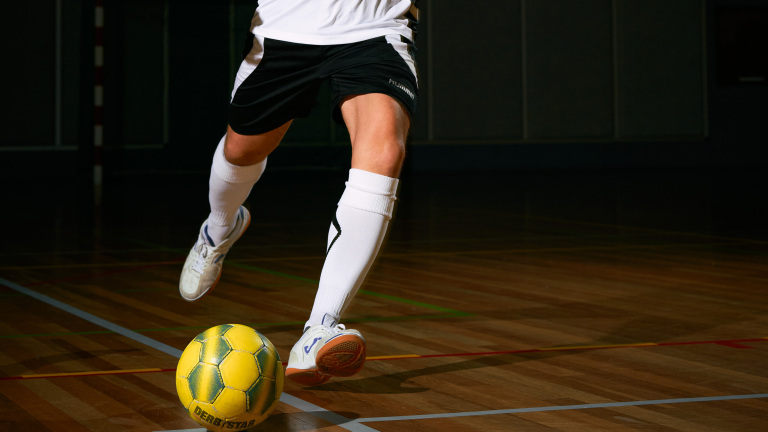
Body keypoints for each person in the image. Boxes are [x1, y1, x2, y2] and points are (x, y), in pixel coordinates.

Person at [179, 0, 419, 386]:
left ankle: (319, 329)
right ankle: (218, 228)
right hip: (286, 27)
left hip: (375, 26)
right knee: (241, 149)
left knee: (385, 151)